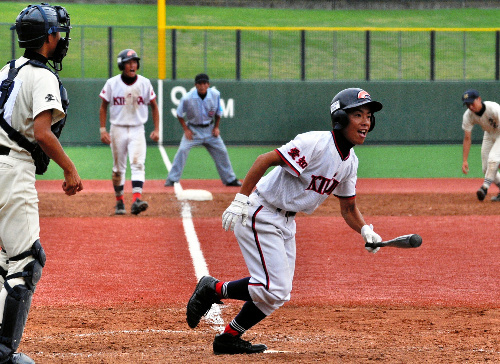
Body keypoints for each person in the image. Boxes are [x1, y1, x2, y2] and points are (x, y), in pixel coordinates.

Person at [186, 88, 384, 354]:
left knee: (278, 294)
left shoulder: (350, 163)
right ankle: (214, 289)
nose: (365, 122)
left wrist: (365, 230)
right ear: (339, 118)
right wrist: (240, 200)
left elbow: (348, 208)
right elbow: (265, 159)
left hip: (286, 222)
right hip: (261, 212)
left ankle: (228, 338)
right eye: (358, 115)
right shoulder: (315, 143)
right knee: (273, 288)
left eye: (369, 116)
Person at [0, 4, 83, 363]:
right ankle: (4, 354)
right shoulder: (42, 76)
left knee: (4, 261)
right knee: (26, 262)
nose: (61, 38)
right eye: (58, 32)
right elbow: (42, 134)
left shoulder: (6, 70)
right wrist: (69, 169)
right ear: (47, 37)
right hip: (13, 171)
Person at [99, 49, 160, 215]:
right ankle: (119, 202)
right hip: (117, 128)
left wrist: (156, 129)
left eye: (134, 62)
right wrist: (103, 129)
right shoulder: (112, 83)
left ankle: (136, 201)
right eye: (128, 62)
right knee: (118, 168)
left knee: (138, 163)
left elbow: (154, 106)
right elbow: (103, 106)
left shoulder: (145, 83)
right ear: (121, 65)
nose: (132, 65)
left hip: (137, 129)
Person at [164, 73, 241, 187]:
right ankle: (172, 179)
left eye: (204, 83)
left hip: (210, 130)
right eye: (199, 83)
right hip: (193, 130)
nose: (202, 85)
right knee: (182, 150)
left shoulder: (215, 95)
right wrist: (186, 129)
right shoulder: (187, 98)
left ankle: (230, 179)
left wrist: (216, 127)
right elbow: (179, 114)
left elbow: (218, 112)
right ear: (195, 85)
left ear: (208, 84)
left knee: (222, 151)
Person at [461, 89, 500, 201]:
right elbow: (467, 138)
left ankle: (484, 188)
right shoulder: (468, 116)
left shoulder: (493, 108)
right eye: (467, 104)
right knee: (486, 169)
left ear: (479, 99)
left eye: (472, 103)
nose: (470, 107)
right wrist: (464, 160)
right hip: (489, 134)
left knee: (493, 158)